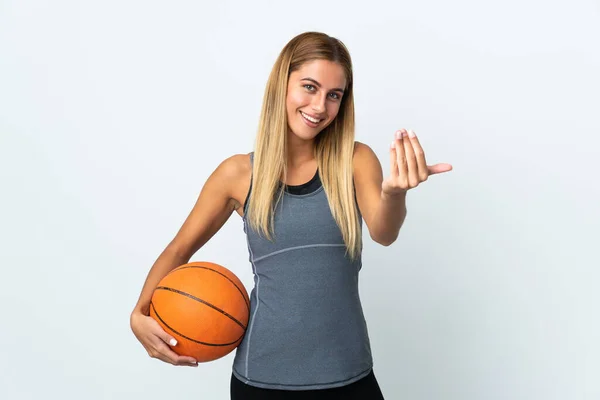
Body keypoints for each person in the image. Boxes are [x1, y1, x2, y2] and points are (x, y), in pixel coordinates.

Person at [130, 31, 452, 399]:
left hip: (349, 375)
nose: (319, 106)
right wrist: (138, 313)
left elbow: (384, 231)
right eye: (310, 87)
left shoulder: (355, 159)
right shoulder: (237, 175)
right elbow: (178, 250)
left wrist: (394, 193)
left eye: (334, 95)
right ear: (282, 83)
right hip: (262, 381)